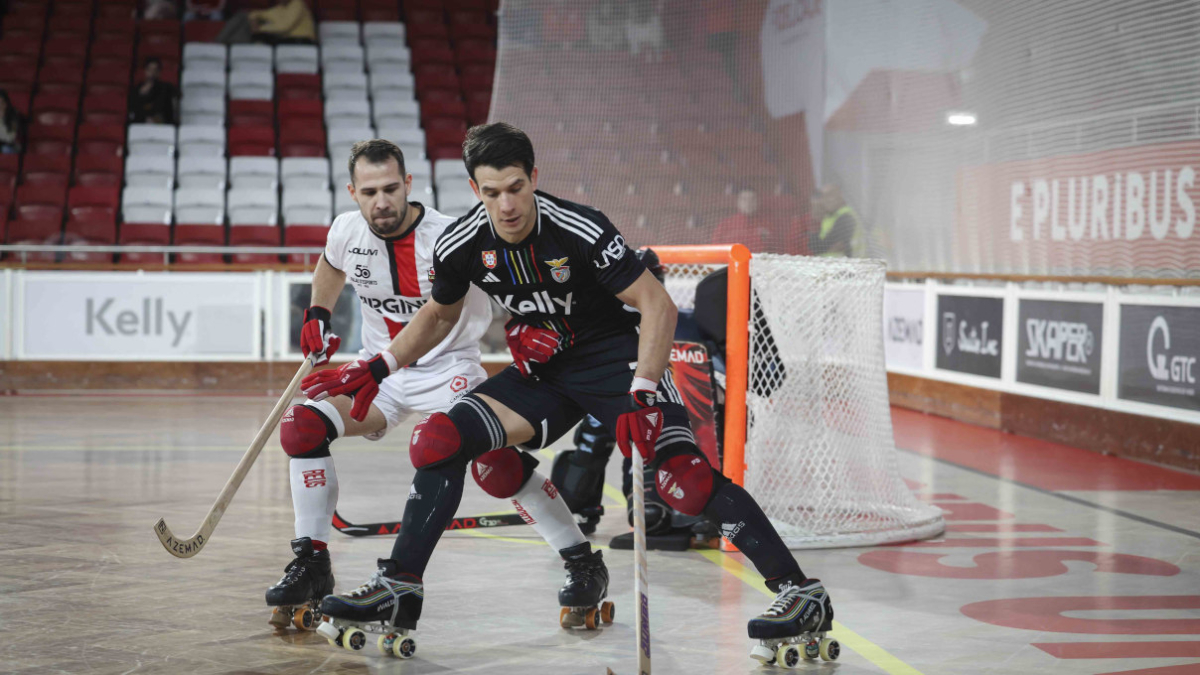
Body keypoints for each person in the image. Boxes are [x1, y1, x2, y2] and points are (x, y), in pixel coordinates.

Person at [302, 123, 836, 657]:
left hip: (616, 362)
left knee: (683, 480)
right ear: (474, 190)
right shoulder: (462, 242)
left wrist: (644, 391)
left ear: (534, 177)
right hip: (546, 370)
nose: (506, 204)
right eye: (491, 193)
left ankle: (800, 593)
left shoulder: (580, 228)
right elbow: (439, 314)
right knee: (439, 439)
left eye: (516, 187)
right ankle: (400, 587)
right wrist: (378, 367)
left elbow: (657, 305)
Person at [263, 139, 597, 631]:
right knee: (301, 428)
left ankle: (582, 561)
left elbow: (457, 310)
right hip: (377, 375)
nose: (383, 201)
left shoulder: (448, 238)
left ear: (409, 184)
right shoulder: (346, 230)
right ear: (353, 192)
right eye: (371, 191)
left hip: (449, 370)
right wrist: (318, 310)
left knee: (496, 470)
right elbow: (331, 264)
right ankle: (312, 564)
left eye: (392, 188)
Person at [217, 0, 315, 45]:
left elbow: (283, 27)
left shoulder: (297, 4)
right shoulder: (280, 8)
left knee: (257, 35)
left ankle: (227, 44)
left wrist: (259, 29)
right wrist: (252, 19)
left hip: (300, 41)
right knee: (242, 16)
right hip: (286, 40)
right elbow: (259, 14)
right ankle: (224, 42)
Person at [809, 184, 861, 257]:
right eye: (824, 196)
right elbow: (815, 247)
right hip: (830, 264)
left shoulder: (846, 217)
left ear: (841, 196)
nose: (827, 200)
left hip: (850, 264)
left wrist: (822, 245)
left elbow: (823, 246)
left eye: (831, 195)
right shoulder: (829, 217)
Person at [711, 188, 768, 253]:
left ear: (757, 202)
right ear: (738, 202)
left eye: (752, 199)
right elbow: (716, 247)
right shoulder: (726, 224)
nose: (748, 203)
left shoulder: (766, 224)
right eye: (744, 199)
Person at [128, 58, 178, 125]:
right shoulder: (136, 90)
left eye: (155, 70)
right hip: (140, 125)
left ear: (159, 72)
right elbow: (133, 110)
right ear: (145, 71)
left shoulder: (166, 88)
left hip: (161, 125)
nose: (152, 73)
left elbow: (169, 107)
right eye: (150, 70)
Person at [0, 89, 25, 154]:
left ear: (6, 103)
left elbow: (10, 138)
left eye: (1, 103)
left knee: (5, 149)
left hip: (10, 147)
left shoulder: (13, 116)